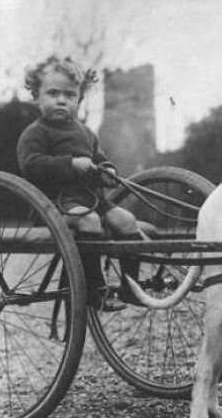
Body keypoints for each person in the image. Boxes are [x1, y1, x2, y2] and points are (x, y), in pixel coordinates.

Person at [16, 55, 142, 309]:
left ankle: (131, 287)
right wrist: (70, 164)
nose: (61, 100)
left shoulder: (86, 133)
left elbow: (102, 161)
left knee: (127, 221)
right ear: (36, 96)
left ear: (79, 99)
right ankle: (94, 289)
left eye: (70, 95)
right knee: (89, 220)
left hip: (92, 201)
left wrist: (108, 172)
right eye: (52, 93)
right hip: (52, 205)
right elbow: (31, 167)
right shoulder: (35, 133)